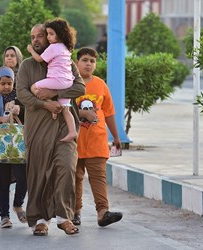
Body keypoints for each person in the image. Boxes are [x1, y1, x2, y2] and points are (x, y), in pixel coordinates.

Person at [17, 23, 85, 236]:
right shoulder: (28, 65)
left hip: (64, 129)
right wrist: (45, 104)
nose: (36, 40)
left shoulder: (65, 62)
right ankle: (40, 219)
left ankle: (65, 217)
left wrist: (53, 92)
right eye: (32, 37)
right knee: (39, 175)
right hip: (37, 129)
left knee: (66, 168)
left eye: (40, 36)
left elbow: (79, 87)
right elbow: (22, 93)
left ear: (50, 39)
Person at [73, 47, 123, 227]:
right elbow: (63, 107)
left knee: (98, 177)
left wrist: (116, 136)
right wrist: (82, 114)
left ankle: (103, 213)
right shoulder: (69, 83)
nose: (88, 64)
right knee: (75, 177)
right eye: (85, 60)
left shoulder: (101, 84)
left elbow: (109, 112)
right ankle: (75, 212)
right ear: (76, 62)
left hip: (97, 140)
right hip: (73, 141)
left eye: (92, 61)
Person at [0, 66, 27, 228]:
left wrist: (19, 109)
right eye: (3, 83)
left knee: (23, 178)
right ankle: (4, 216)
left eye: (10, 83)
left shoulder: (19, 97)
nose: (7, 87)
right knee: (2, 182)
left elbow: (29, 112)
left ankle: (18, 204)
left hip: (18, 145)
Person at [26, 18, 77, 142]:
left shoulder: (54, 47)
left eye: (50, 34)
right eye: (48, 34)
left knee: (34, 87)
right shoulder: (65, 47)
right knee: (66, 109)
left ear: (59, 34)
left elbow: (39, 59)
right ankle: (72, 131)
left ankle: (52, 104)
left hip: (57, 80)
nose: (49, 37)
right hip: (67, 81)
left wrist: (30, 50)